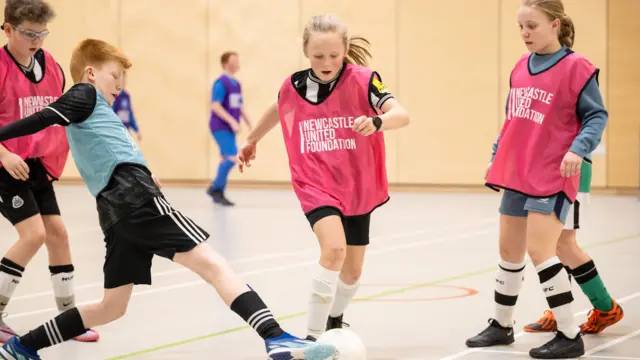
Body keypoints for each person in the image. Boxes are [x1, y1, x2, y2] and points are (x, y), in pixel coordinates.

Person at [0, 38, 338, 360]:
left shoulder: (95, 109)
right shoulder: (84, 93)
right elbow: (42, 118)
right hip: (137, 200)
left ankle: (22, 347)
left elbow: (108, 151)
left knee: (111, 307)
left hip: (115, 211)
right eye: (115, 76)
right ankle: (276, 338)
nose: (120, 85)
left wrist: (143, 170)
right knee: (214, 264)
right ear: (90, 72)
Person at [238, 14, 409, 341]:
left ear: (344, 50)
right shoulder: (294, 85)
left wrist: (377, 122)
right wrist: (252, 139)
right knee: (333, 250)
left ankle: (334, 317)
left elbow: (401, 114)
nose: (326, 62)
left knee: (353, 271)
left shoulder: (364, 80)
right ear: (305, 50)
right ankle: (311, 340)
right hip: (315, 181)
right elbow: (278, 107)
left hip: (357, 184)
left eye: (333, 55)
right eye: (318, 56)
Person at [466, 0, 609, 358]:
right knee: (508, 251)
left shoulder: (577, 67)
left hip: (553, 171)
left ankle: (569, 332)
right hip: (517, 171)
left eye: (532, 26)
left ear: (556, 25)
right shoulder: (519, 67)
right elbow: (512, 118)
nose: (525, 33)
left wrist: (578, 149)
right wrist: (495, 154)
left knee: (541, 251)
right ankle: (501, 325)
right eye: (520, 27)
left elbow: (596, 116)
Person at [0, 0, 98, 343]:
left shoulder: (50, 65)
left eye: (42, 33)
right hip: (3, 164)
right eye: (28, 33)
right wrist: (3, 154)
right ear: (8, 29)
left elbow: (60, 114)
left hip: (34, 165)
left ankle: (69, 318)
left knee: (57, 234)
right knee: (33, 235)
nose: (36, 40)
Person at [522, 155, 624, 334]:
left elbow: (589, 130)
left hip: (570, 171)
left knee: (564, 244)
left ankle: (606, 308)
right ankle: (561, 313)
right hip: (550, 171)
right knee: (553, 245)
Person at [207, 51, 252, 206]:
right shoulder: (220, 83)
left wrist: (250, 124)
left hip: (230, 129)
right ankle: (215, 189)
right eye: (234, 60)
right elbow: (215, 105)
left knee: (225, 159)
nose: (237, 63)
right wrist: (232, 121)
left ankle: (218, 192)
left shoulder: (236, 84)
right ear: (226, 63)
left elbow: (240, 106)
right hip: (220, 126)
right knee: (233, 157)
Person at [112, 71, 141, 141]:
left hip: (126, 131)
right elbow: (111, 113)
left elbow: (130, 114)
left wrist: (137, 130)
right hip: (116, 131)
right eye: (122, 79)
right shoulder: (113, 95)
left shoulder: (126, 96)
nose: (124, 81)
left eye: (125, 78)